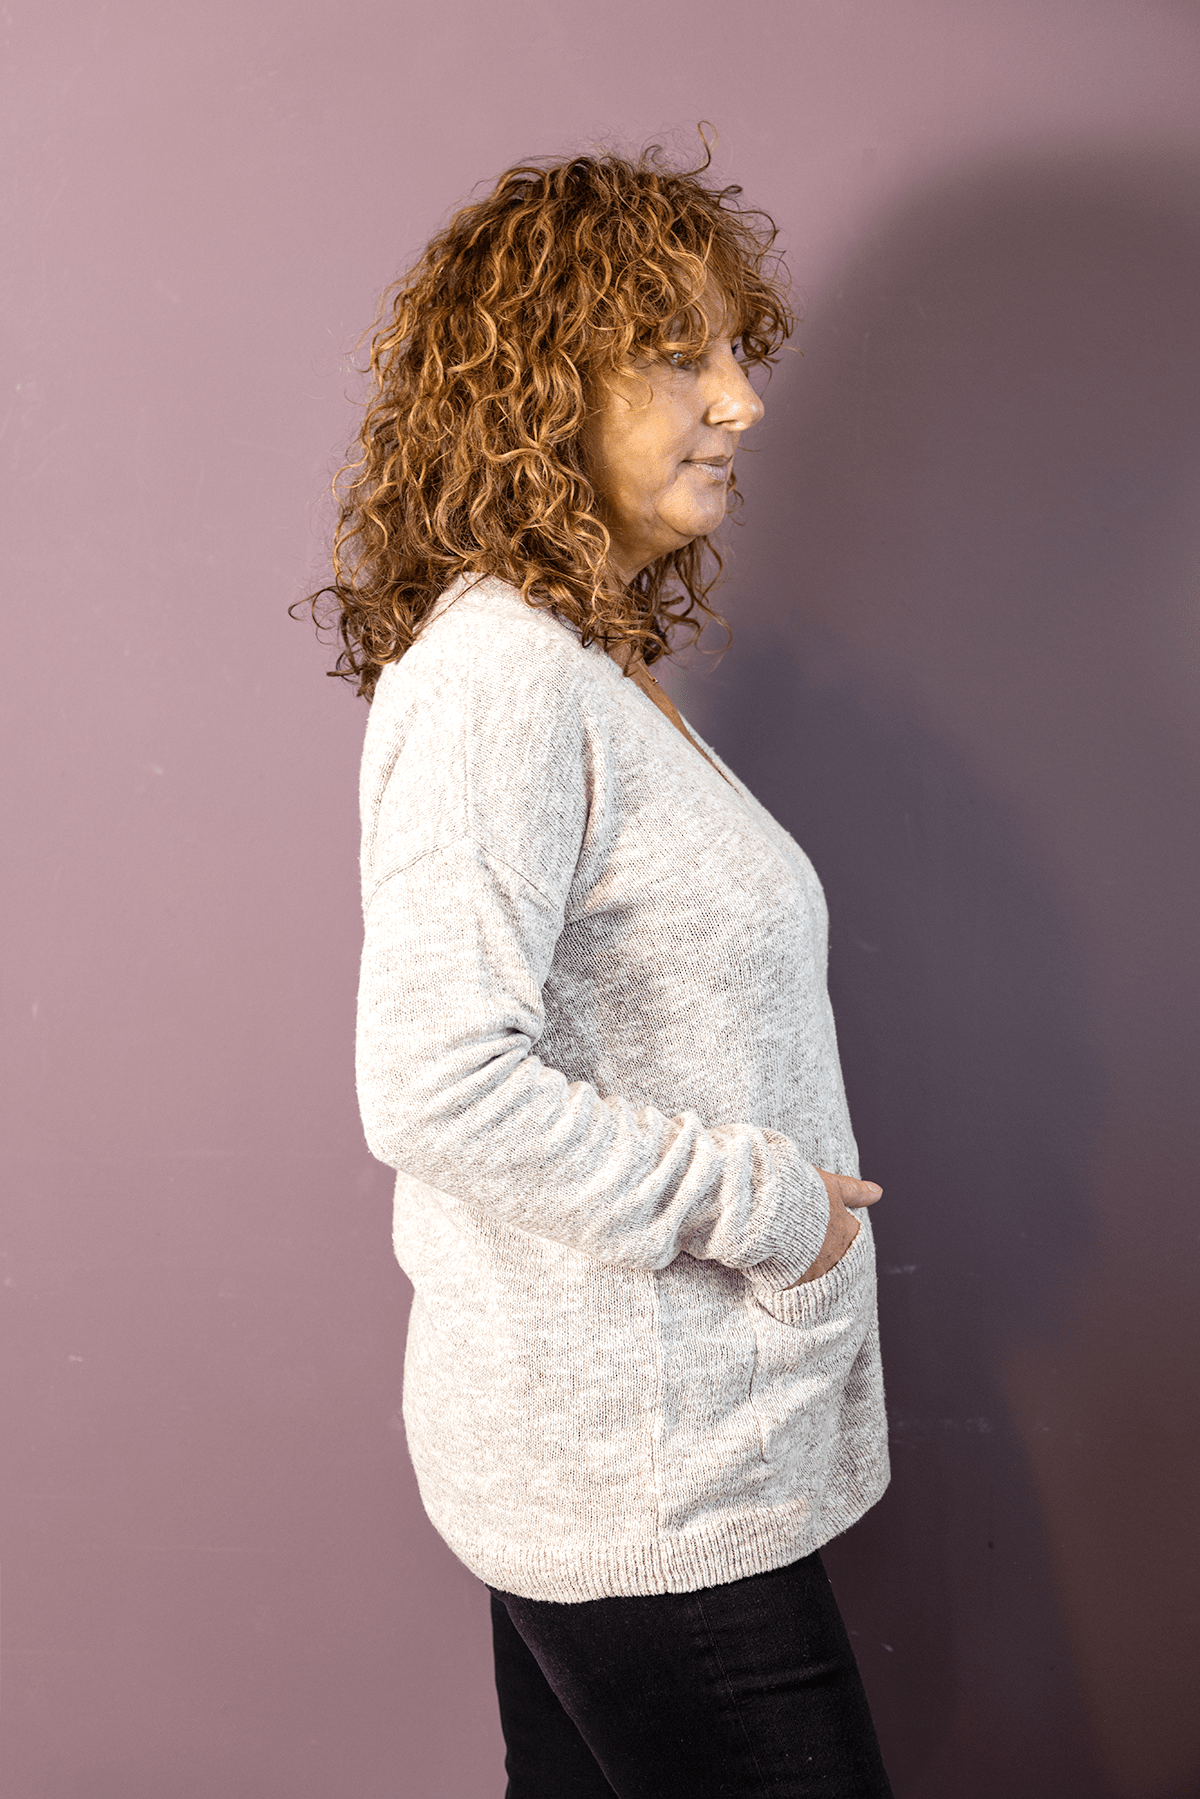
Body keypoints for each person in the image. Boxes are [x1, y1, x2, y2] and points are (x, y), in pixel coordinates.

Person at [307, 143, 893, 1798]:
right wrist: (769, 1206)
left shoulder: (580, 663)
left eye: (737, 350)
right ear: (538, 390)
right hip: (648, 1478)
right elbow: (436, 1080)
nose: (742, 401)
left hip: (650, 1449)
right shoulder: (498, 677)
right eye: (680, 354)